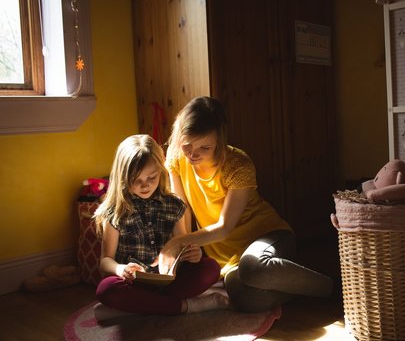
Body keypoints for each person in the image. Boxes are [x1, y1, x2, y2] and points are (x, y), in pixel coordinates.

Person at [161, 96, 334, 312]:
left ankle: (331, 286)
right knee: (244, 299)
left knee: (253, 268)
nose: (193, 154)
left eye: (204, 147)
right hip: (229, 258)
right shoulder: (176, 157)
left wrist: (177, 242)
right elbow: (182, 208)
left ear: (219, 141)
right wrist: (183, 253)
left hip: (268, 235)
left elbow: (225, 227)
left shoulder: (237, 164)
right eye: (187, 145)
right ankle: (294, 281)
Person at [93, 134, 229, 321]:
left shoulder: (173, 205)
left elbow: (182, 248)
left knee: (211, 268)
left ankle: (139, 307)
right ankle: (185, 306)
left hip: (170, 282)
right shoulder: (114, 211)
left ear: (160, 171)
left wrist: (193, 255)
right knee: (106, 289)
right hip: (134, 284)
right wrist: (120, 269)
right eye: (136, 179)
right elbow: (105, 260)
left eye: (151, 177)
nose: (145, 185)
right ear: (123, 177)